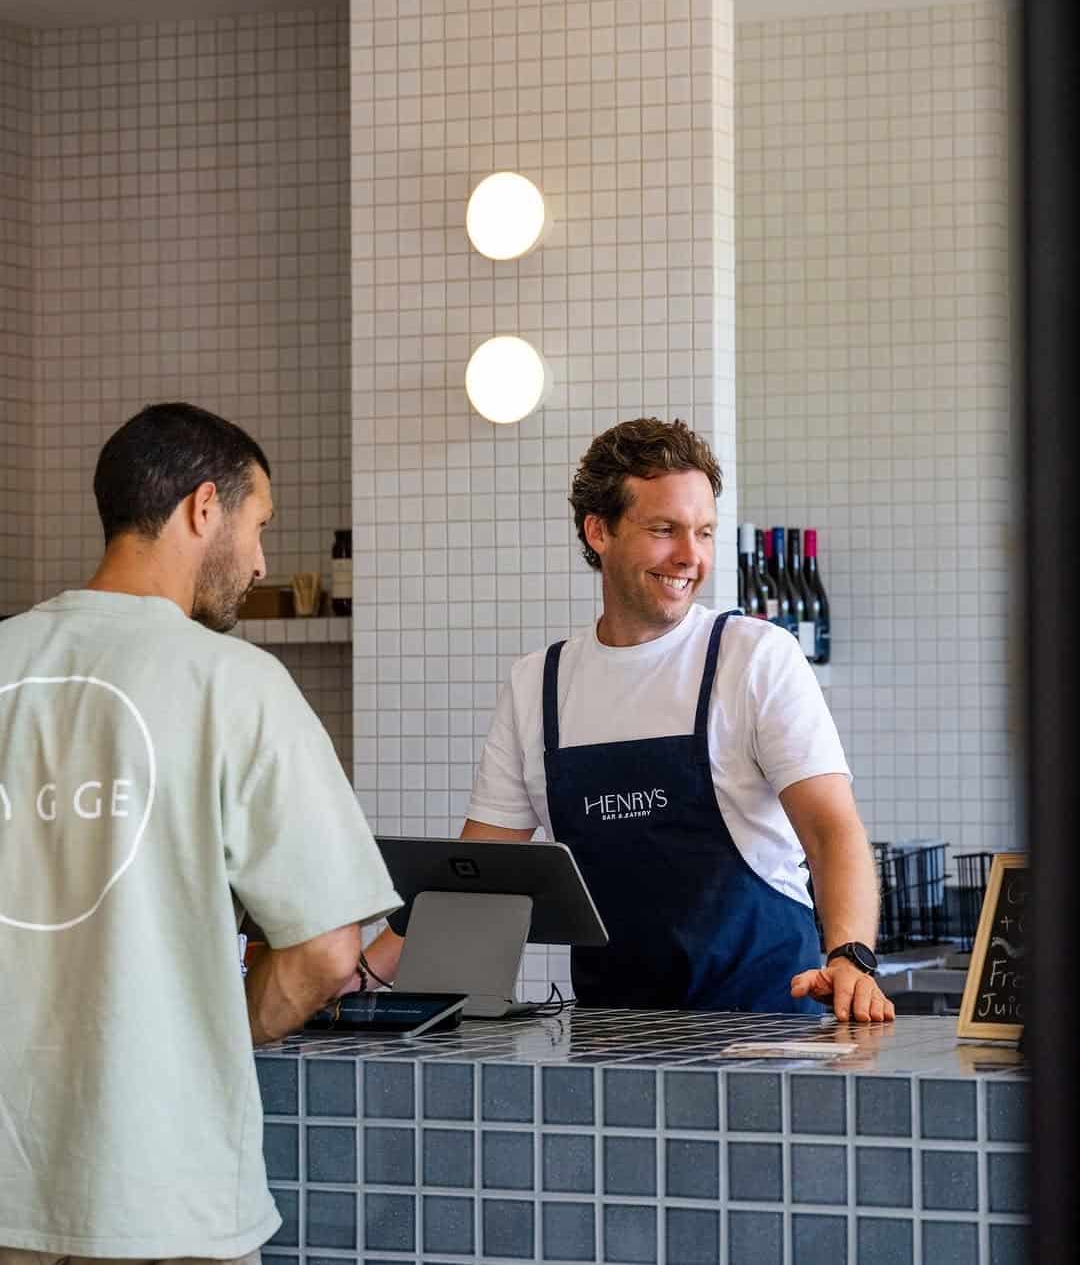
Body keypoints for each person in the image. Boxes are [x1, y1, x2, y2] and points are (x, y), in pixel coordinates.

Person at [0, 403, 400, 1263]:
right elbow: (330, 951)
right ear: (203, 507)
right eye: (258, 526)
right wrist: (234, 1021)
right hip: (162, 1196)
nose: (259, 561)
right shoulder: (238, 682)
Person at [364, 417, 893, 1024]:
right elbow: (477, 873)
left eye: (704, 533)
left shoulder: (752, 656)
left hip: (765, 1029)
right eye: (664, 530)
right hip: (613, 1036)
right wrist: (361, 973)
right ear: (599, 532)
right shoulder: (541, 683)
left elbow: (831, 830)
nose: (690, 557)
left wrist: (851, 954)